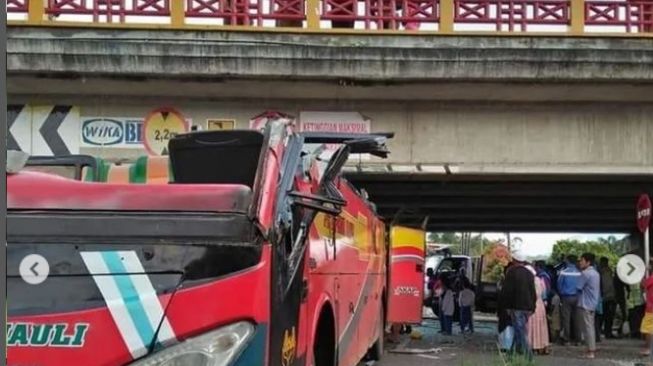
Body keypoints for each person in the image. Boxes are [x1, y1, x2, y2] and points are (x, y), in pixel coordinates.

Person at [499, 254, 536, 360]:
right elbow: (532, 292)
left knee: (521, 331)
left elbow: (507, 291)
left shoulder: (511, 273)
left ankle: (529, 356)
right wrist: (533, 306)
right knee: (518, 330)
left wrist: (506, 306)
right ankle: (511, 355)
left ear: (515, 260)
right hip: (527, 307)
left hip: (516, 306)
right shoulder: (529, 274)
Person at [576, 253, 601, 359]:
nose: (580, 262)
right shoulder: (596, 273)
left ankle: (590, 351)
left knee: (587, 328)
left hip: (585, 304)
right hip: (593, 303)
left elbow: (578, 287)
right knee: (590, 327)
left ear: (588, 262)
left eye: (582, 260)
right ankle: (590, 349)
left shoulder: (585, 274)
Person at [557, 254, 581, 345]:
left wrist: (562, 293)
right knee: (577, 319)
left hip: (566, 297)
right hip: (577, 297)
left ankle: (567, 339)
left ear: (568, 261)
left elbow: (559, 285)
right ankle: (578, 340)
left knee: (566, 319)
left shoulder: (563, 272)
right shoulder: (579, 272)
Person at [528, 265, 550, 355]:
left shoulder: (529, 282)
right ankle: (542, 345)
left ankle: (531, 345)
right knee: (541, 326)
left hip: (531, 305)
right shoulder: (540, 280)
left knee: (531, 326)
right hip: (540, 305)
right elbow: (544, 295)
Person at [599, 257, 617, 339]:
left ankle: (606, 332)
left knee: (607, 316)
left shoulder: (605, 271)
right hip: (606, 297)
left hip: (608, 297)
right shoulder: (603, 271)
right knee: (606, 316)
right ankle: (606, 333)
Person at [640, 259, 653, 357]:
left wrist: (644, 272)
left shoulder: (651, 278)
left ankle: (648, 348)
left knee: (648, 329)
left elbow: (643, 284)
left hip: (651, 309)